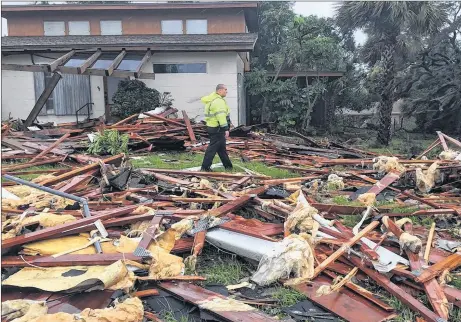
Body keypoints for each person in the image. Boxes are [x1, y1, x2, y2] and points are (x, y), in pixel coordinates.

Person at [200, 84, 233, 171]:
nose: (226, 91)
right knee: (212, 148)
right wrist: (225, 129)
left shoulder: (211, 99)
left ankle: (228, 167)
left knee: (221, 148)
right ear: (219, 91)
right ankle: (205, 167)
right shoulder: (218, 101)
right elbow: (221, 116)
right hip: (218, 128)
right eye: (225, 89)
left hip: (212, 127)